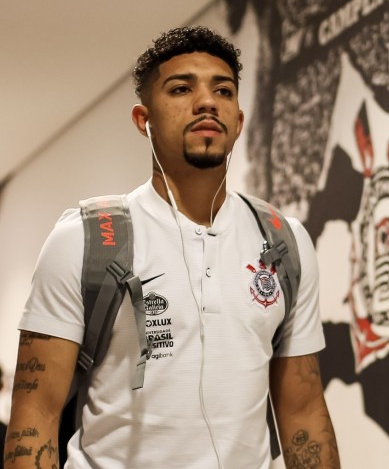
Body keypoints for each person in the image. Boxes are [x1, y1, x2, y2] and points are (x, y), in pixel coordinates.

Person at [4, 26, 339, 469]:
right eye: (181, 88)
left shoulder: (284, 240)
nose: (206, 102)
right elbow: (36, 415)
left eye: (223, 90)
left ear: (238, 122)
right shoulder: (84, 240)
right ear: (144, 121)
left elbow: (303, 412)